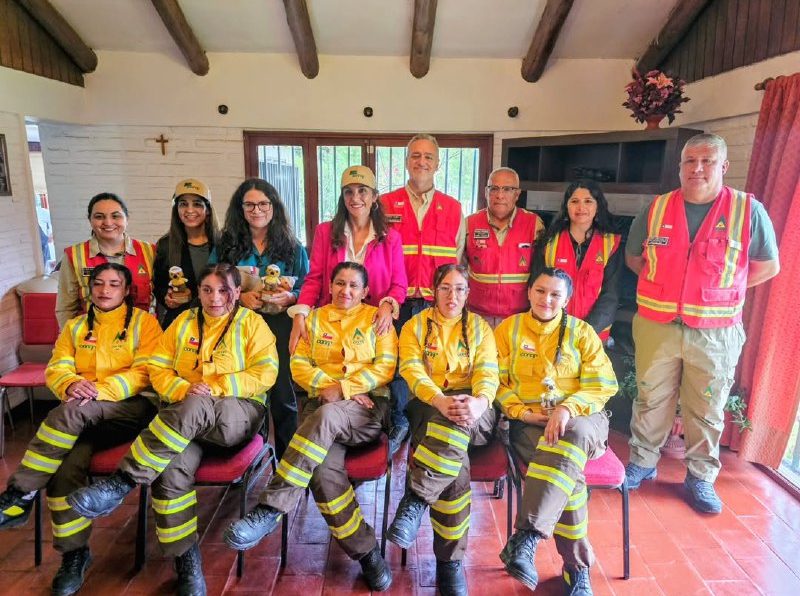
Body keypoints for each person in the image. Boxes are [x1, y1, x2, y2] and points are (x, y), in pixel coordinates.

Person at [65, 263, 279, 595]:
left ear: (237, 292)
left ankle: (123, 482)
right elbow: (158, 368)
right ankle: (186, 560)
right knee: (170, 471)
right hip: (184, 424)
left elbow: (266, 374)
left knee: (193, 407)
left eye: (224, 291)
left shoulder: (253, 324)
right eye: (207, 290)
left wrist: (215, 387)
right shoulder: (182, 322)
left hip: (236, 415)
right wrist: (183, 389)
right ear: (198, 293)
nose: (215, 298)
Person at [624, 133, 779, 514]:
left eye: (707, 161)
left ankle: (700, 476)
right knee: (650, 398)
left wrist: (720, 292)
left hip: (715, 332)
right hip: (657, 324)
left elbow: (766, 266)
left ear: (723, 166)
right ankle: (642, 462)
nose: (697, 168)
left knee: (707, 406)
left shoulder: (747, 211)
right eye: (689, 161)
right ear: (680, 167)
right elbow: (634, 258)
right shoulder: (657, 208)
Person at [225, 262, 398, 591]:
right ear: (329, 287)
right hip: (320, 407)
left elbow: (385, 367)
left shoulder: (377, 319)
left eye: (354, 286)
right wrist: (326, 389)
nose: (345, 291)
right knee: (322, 472)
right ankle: (367, 553)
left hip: (366, 410)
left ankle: (271, 506)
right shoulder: (314, 319)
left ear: (365, 291)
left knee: (326, 416)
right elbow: (299, 363)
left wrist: (343, 389)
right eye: (340, 283)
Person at [0, 263, 161, 596]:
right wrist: (71, 384)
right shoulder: (75, 327)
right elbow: (58, 366)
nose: (105, 290)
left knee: (69, 413)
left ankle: (20, 492)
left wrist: (99, 391)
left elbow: (147, 370)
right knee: (65, 467)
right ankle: (74, 555)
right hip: (83, 415)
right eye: (98, 283)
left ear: (126, 290)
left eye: (113, 284)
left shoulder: (145, 323)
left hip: (129, 408)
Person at [494, 267, 617, 594]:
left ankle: (527, 537)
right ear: (529, 292)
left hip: (584, 419)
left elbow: (603, 385)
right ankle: (577, 569)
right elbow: (493, 382)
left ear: (566, 300)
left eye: (555, 294)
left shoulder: (582, 333)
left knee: (571, 436)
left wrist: (567, 409)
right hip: (530, 422)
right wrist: (522, 412)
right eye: (540, 291)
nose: (546, 299)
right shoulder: (508, 330)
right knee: (566, 474)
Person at [386, 264, 498, 596]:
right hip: (429, 406)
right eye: (446, 288)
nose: (453, 296)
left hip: (475, 409)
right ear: (434, 290)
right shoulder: (415, 326)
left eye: (460, 289)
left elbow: (488, 372)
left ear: (468, 293)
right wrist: (438, 400)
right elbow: (411, 369)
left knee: (452, 431)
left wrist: (479, 402)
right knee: (455, 469)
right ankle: (450, 565)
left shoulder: (479, 327)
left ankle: (416, 499)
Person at [381, 134, 467, 453]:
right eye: (415, 156)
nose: (421, 162)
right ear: (406, 162)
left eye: (428, 157)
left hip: (436, 302)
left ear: (438, 164)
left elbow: (457, 257)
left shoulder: (454, 208)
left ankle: (426, 418)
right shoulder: (384, 204)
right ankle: (398, 420)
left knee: (433, 361)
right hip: (397, 300)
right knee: (397, 362)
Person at [212, 178, 309, 459]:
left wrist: (291, 297)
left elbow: (308, 287)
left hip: (280, 327)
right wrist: (239, 297)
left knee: (282, 396)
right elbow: (212, 283)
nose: (257, 210)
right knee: (244, 393)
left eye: (263, 204)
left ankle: (288, 464)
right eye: (250, 205)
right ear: (240, 208)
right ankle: (247, 459)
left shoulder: (293, 247)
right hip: (239, 327)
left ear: (274, 206)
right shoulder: (226, 245)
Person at [288, 165, 406, 353]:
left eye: (362, 191)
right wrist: (300, 314)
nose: (355, 198)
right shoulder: (324, 232)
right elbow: (314, 279)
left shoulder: (391, 238)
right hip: (329, 325)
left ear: (374, 196)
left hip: (371, 325)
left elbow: (399, 285)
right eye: (348, 192)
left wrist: (387, 305)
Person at [531, 180, 621, 342]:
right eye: (574, 201)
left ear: (598, 206)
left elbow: (610, 296)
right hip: (552, 332)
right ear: (566, 206)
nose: (581, 207)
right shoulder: (549, 242)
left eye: (588, 201)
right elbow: (537, 289)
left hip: (592, 336)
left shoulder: (611, 244)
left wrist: (583, 332)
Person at [57, 192, 155, 328]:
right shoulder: (74, 255)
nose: (108, 222)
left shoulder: (150, 251)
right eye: (99, 217)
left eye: (115, 216)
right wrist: (68, 336)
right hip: (92, 335)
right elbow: (66, 307)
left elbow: (161, 298)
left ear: (127, 218)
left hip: (141, 333)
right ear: (90, 220)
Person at [465, 167, 543, 328]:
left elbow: (542, 272)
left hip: (520, 317)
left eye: (507, 189)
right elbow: (457, 270)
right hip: (477, 316)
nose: (499, 195)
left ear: (517, 194)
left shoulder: (534, 224)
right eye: (494, 188)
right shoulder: (469, 224)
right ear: (486, 192)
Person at [153, 178, 218, 329]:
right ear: (176, 210)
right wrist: (167, 298)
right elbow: (159, 284)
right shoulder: (165, 245)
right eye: (183, 204)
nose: (189, 210)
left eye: (197, 204)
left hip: (217, 322)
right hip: (180, 323)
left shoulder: (223, 243)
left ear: (207, 210)